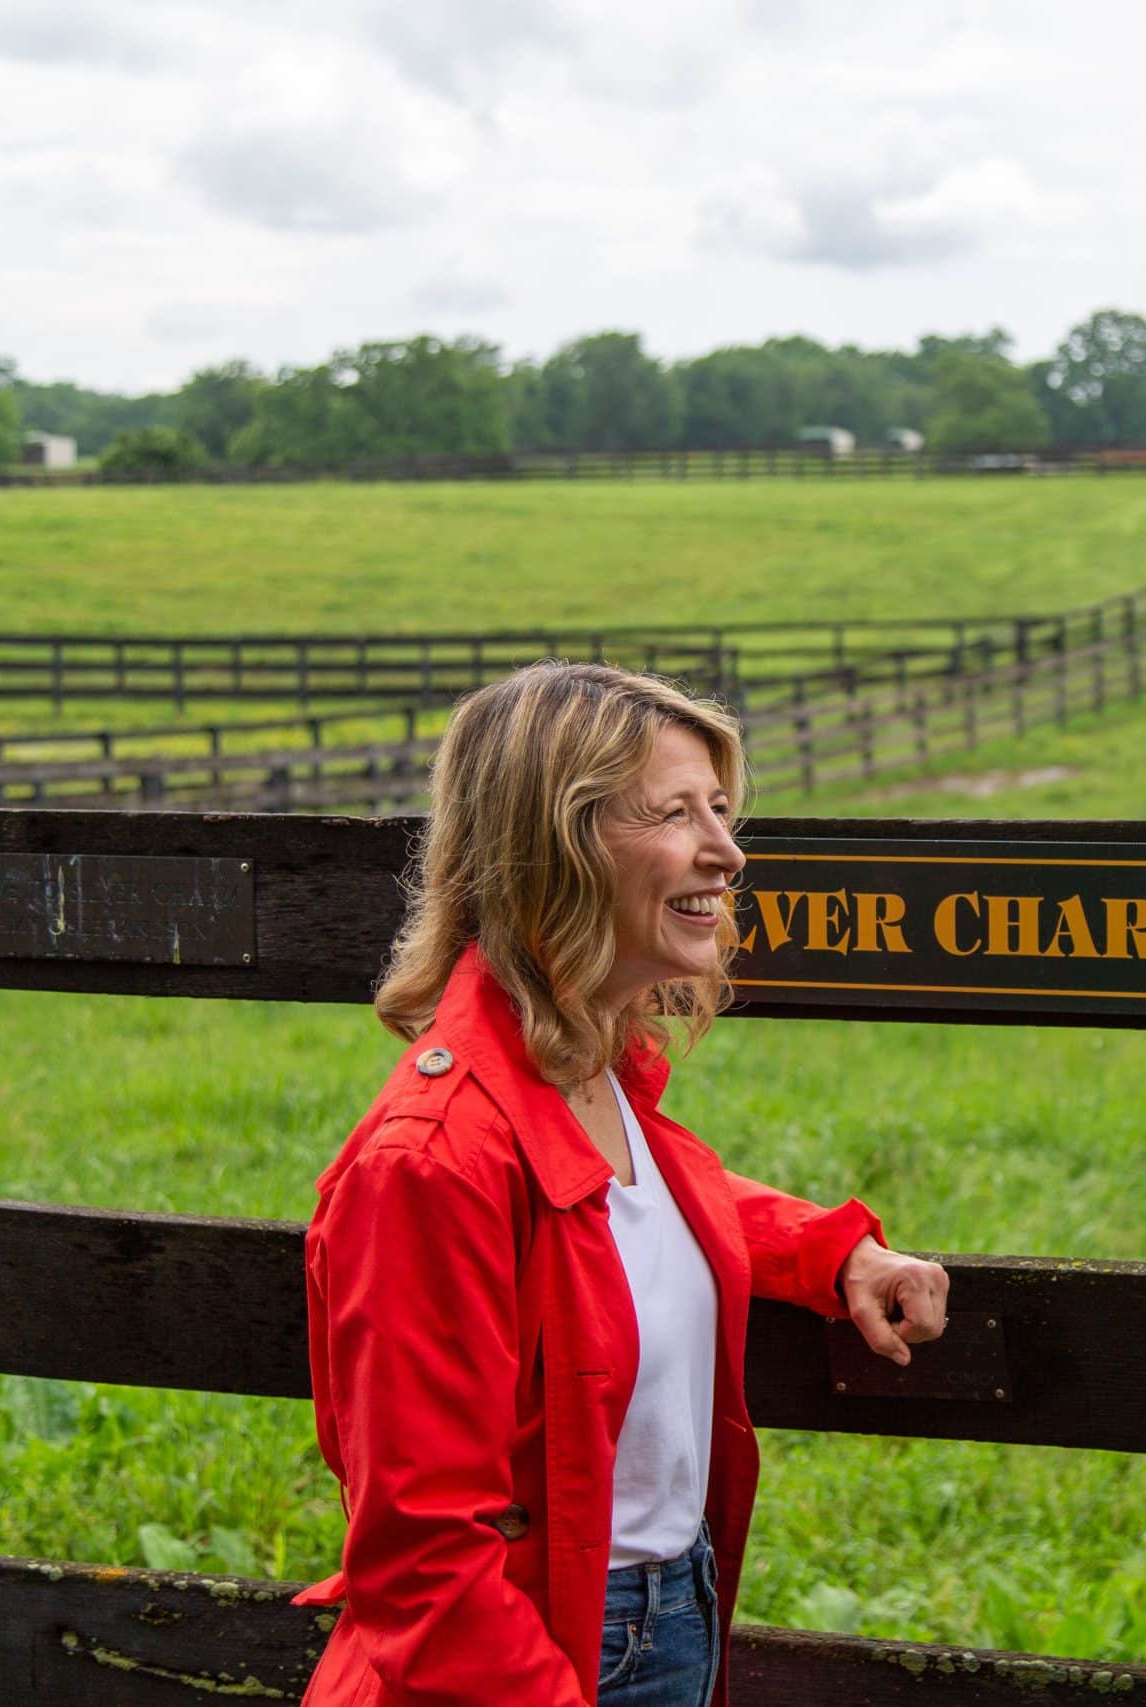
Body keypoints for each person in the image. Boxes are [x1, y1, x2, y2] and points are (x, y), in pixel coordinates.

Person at [292, 661, 951, 1707]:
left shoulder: (579, 1073)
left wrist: (831, 1252)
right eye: (674, 814)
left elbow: (619, 1217)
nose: (725, 853)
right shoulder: (429, 1163)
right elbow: (421, 1561)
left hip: (665, 1613)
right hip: (534, 1651)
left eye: (721, 811)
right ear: (555, 846)